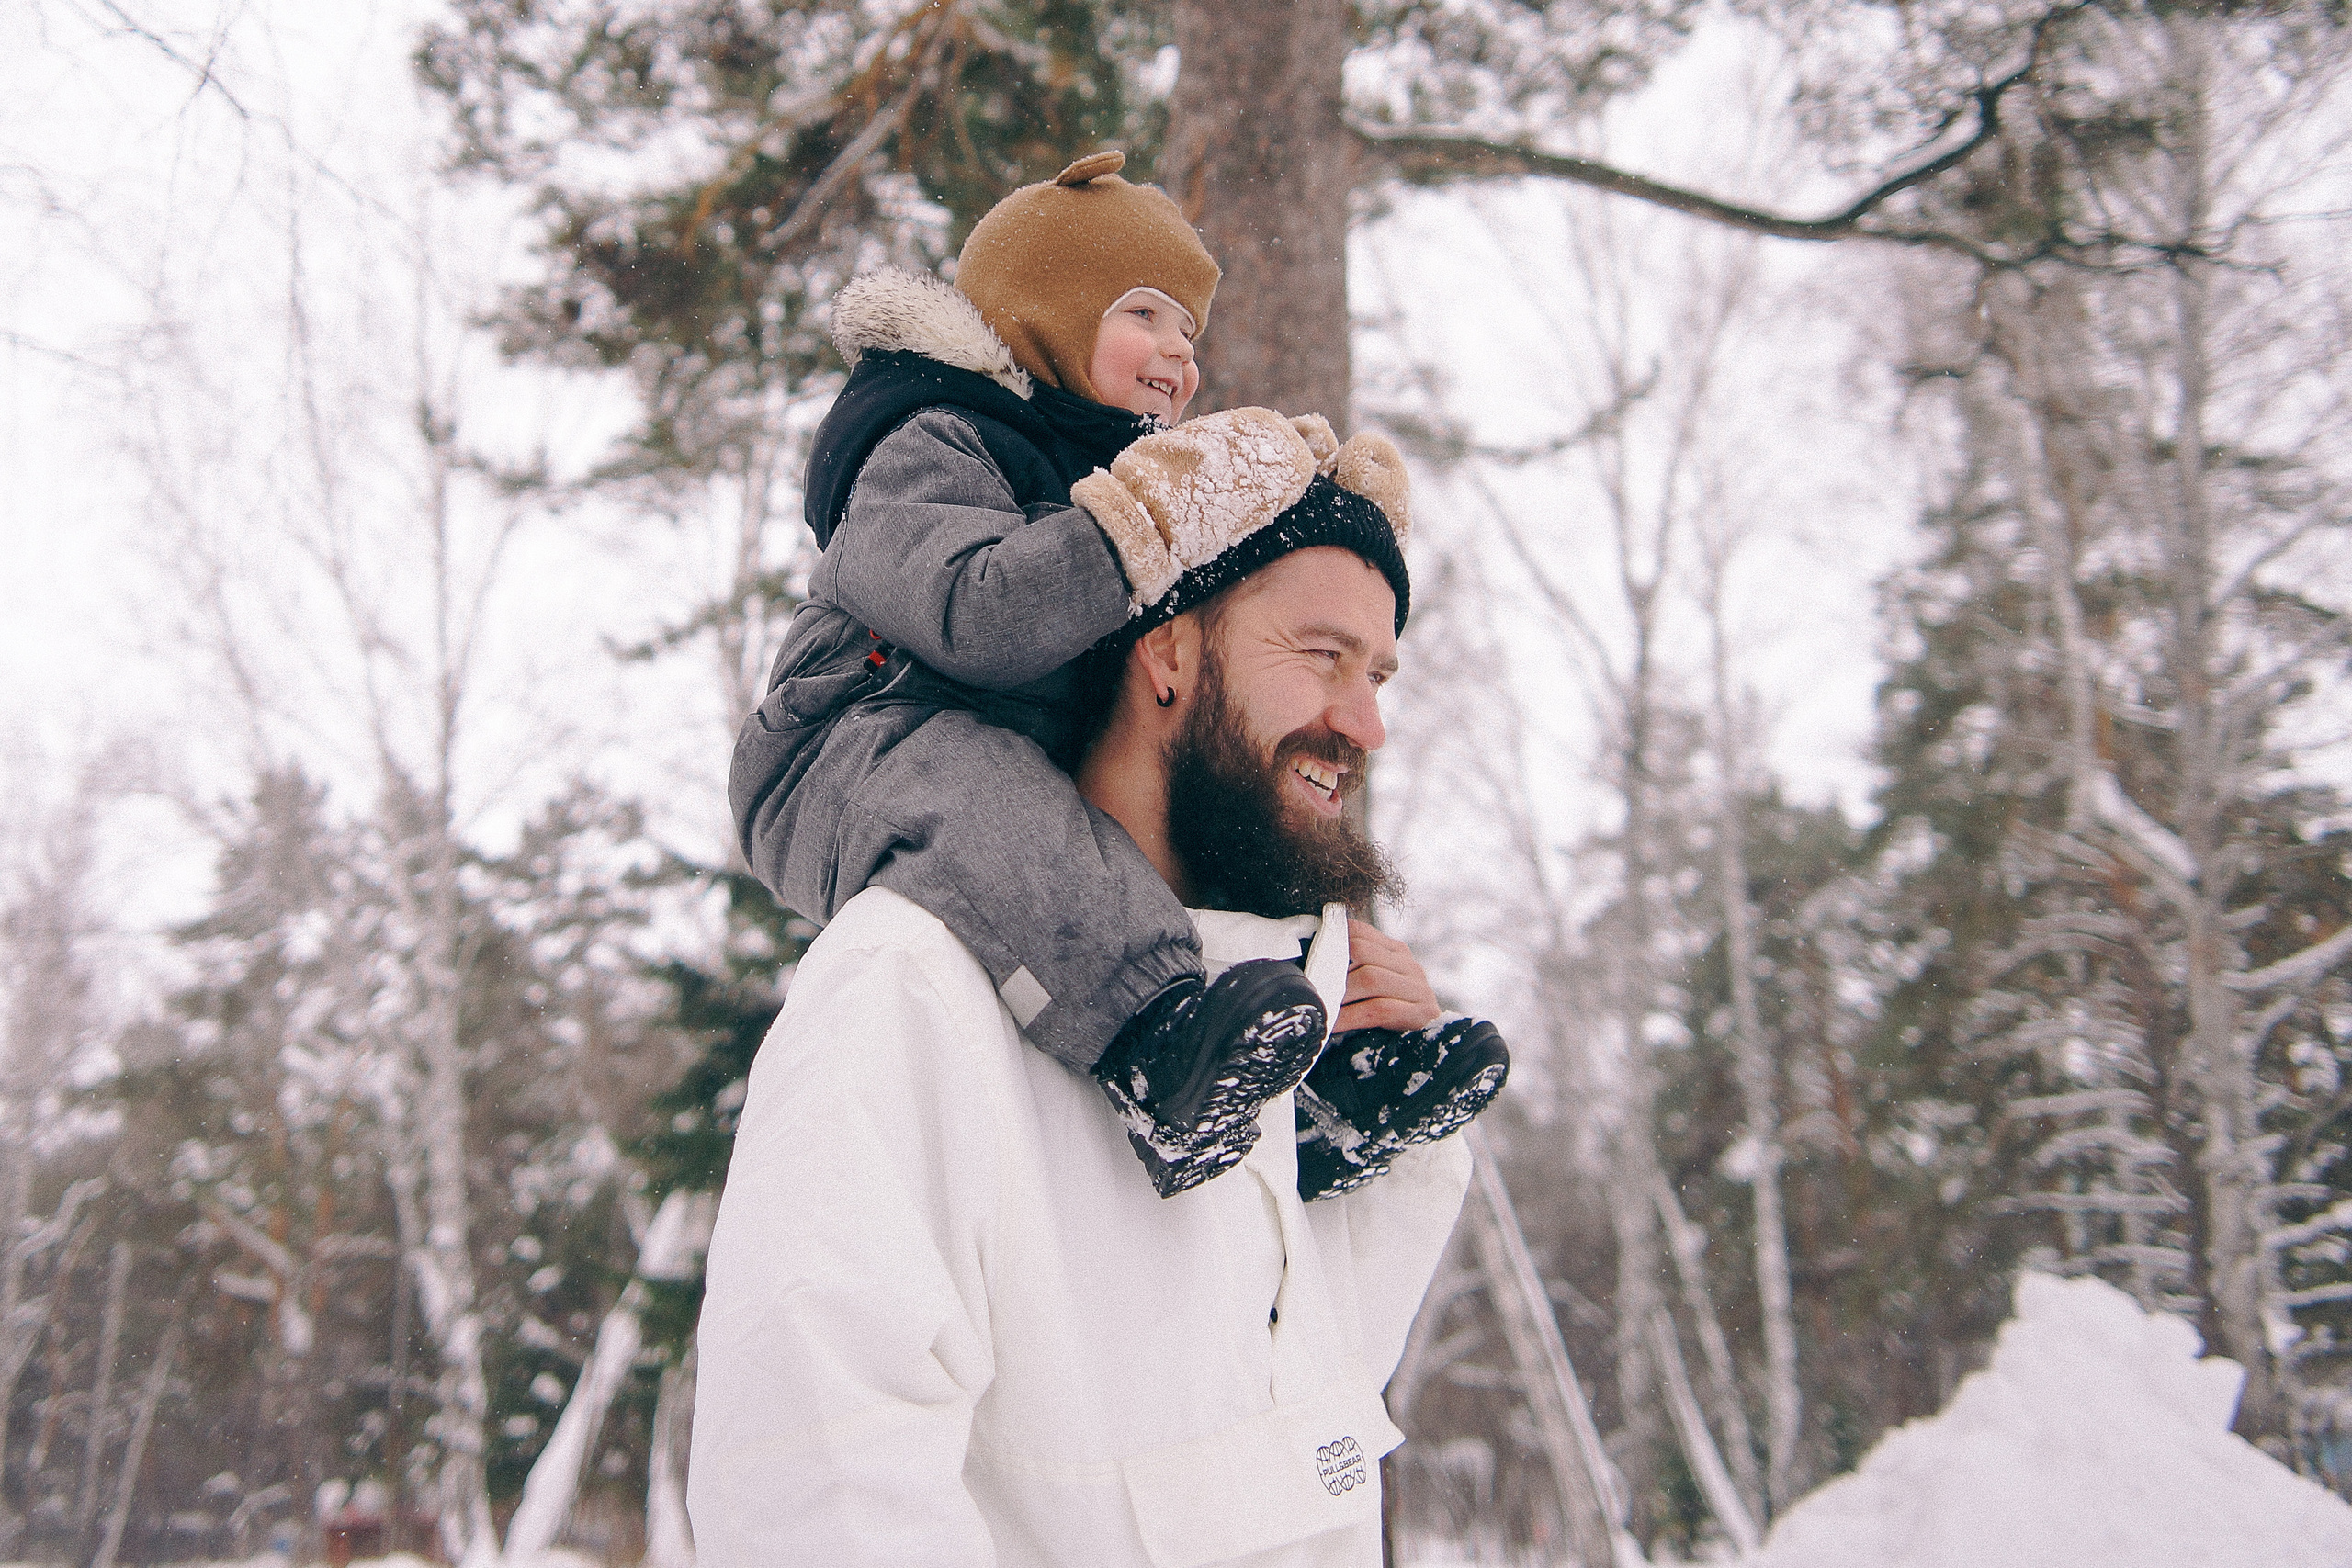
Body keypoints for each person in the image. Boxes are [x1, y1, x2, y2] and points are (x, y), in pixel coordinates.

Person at [691, 449, 1506, 1568]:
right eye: (1322, 658)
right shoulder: (913, 988)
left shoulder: (1280, 1023)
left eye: (1379, 678)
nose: (1364, 725)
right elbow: (811, 1484)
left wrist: (1386, 1150)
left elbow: (1291, 1431)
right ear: (1166, 650)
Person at [729, 149, 1504, 1197]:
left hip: (984, 752)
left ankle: (1326, 1093)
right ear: (1039, 310)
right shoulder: (925, 442)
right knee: (996, 804)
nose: (1177, 356)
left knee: (1206, 816)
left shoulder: (1083, 476)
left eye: (1190, 333)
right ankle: (1158, 1048)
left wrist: (1309, 514)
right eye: (1145, 315)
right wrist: (1147, 519)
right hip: (857, 741)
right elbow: (978, 615)